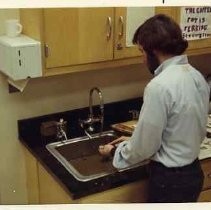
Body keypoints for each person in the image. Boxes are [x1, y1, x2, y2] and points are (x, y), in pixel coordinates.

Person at [98, 14, 210, 203]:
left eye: (142, 52)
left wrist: (114, 151)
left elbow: (145, 147)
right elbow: (179, 128)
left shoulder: (159, 86)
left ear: (154, 51)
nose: (142, 59)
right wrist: (135, 138)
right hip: (193, 173)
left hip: (169, 182)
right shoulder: (195, 75)